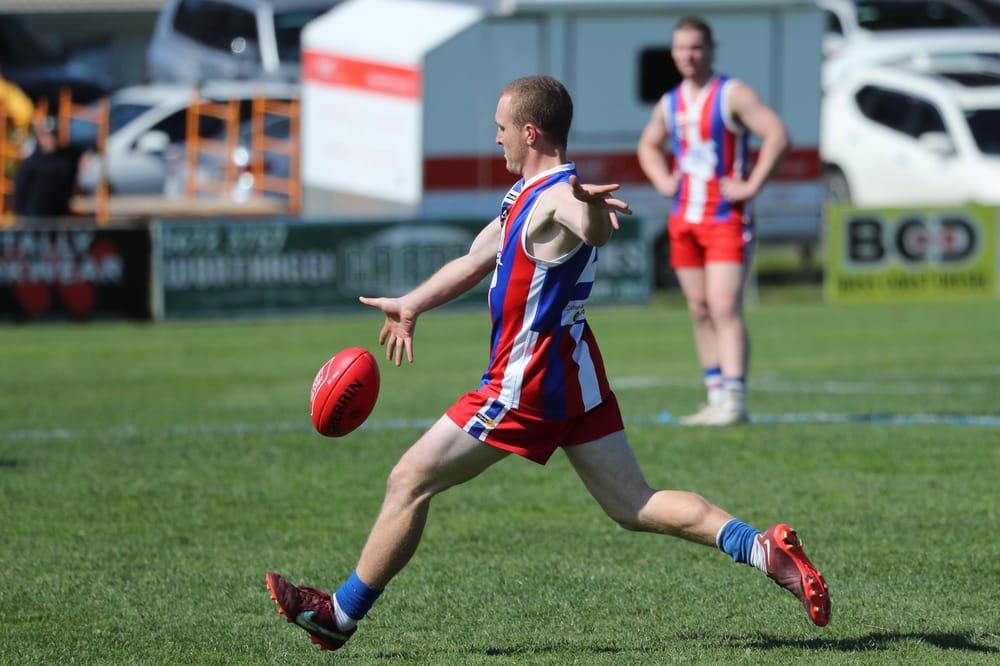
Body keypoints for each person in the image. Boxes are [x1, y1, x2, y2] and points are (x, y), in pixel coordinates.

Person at [266, 75, 828, 654]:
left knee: (409, 479)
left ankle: (338, 615)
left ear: (530, 132)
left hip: (524, 384)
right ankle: (764, 550)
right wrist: (411, 303)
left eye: (502, 129)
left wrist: (592, 215)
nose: (497, 141)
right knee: (633, 503)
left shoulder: (560, 194)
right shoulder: (524, 196)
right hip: (576, 377)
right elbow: (476, 259)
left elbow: (589, 227)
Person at [636, 16, 790, 427]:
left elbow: (776, 134)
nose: (689, 55)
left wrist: (752, 183)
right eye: (681, 48)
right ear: (673, 53)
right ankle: (715, 396)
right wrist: (662, 177)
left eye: (696, 47)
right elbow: (648, 145)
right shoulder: (670, 103)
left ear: (710, 49)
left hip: (725, 217)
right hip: (684, 218)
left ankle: (735, 400)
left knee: (724, 306)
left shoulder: (732, 94)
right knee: (700, 308)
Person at [12, 115, 85, 220]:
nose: (51, 139)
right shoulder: (31, 162)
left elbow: (81, 151)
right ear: (40, 137)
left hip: (59, 216)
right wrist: (22, 216)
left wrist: (85, 154)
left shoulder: (65, 157)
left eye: (54, 135)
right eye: (47, 135)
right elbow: (20, 192)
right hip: (35, 218)